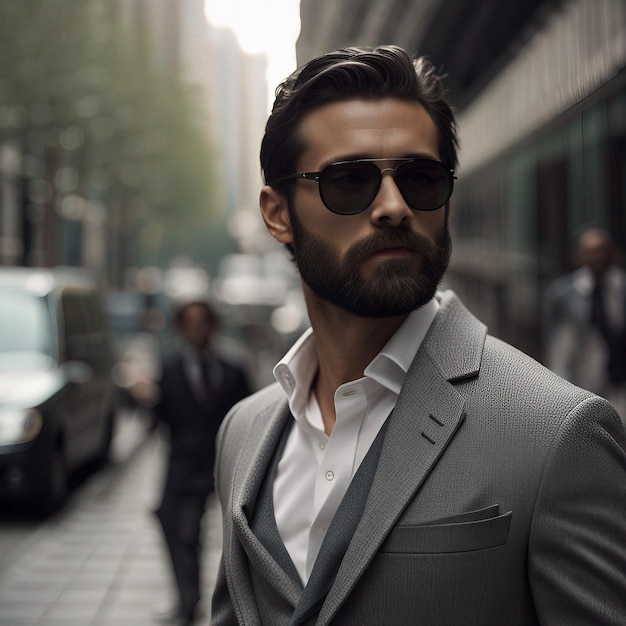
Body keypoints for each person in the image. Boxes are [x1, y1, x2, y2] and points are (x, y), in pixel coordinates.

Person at [210, 46, 626, 625]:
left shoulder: (559, 435)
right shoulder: (242, 432)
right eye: (349, 181)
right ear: (278, 213)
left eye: (421, 178)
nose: (393, 206)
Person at [153, 300, 252, 625]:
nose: (198, 329)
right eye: (191, 323)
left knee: (241, 537)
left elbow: (250, 420)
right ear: (180, 328)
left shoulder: (233, 371)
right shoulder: (168, 371)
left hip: (225, 465)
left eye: (204, 322)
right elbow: (157, 420)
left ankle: (238, 605)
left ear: (214, 326)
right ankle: (188, 602)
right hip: (182, 469)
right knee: (180, 534)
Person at [545, 226, 626, 421]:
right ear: (579, 256)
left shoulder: (621, 287)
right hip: (583, 380)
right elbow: (558, 349)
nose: (596, 258)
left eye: (600, 251)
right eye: (590, 252)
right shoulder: (564, 294)